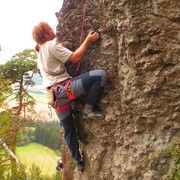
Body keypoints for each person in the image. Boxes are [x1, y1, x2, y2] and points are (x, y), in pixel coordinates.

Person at [32, 22, 107, 171]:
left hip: (54, 97)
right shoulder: (51, 46)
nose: (53, 30)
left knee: (68, 129)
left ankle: (77, 161)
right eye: (50, 29)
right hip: (64, 90)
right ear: (46, 35)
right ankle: (89, 109)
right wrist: (88, 40)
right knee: (100, 75)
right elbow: (75, 58)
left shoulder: (39, 50)